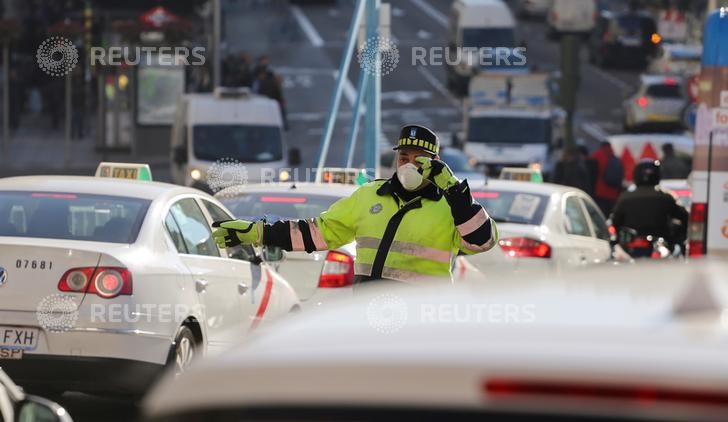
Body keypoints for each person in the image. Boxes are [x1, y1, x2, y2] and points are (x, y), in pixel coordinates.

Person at [212, 125, 499, 285]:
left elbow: (482, 240)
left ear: (435, 163)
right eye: (403, 158)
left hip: (422, 321)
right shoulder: (369, 196)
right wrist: (257, 233)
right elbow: (317, 233)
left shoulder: (451, 205)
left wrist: (454, 190)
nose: (409, 165)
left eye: (418, 160)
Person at [611, 159, 688, 252]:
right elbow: (685, 217)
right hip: (661, 246)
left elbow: (615, 222)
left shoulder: (625, 197)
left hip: (633, 247)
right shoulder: (665, 197)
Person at [591, 141, 623, 215]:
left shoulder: (596, 155)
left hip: (600, 192)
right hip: (613, 193)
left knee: (602, 215)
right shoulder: (615, 157)